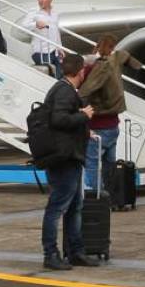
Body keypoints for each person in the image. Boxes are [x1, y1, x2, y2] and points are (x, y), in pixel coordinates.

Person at [38, 53, 101, 271]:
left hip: (68, 155)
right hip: (64, 158)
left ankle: (75, 251)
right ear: (80, 71)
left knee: (74, 206)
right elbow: (59, 119)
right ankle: (51, 253)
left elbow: (63, 120)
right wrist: (84, 116)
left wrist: (85, 130)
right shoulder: (64, 91)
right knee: (58, 207)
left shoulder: (61, 89)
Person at [79, 34, 143, 189]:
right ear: (112, 47)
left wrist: (76, 101)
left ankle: (97, 196)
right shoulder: (116, 59)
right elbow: (126, 57)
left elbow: (86, 90)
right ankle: (111, 194)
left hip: (98, 125)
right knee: (109, 163)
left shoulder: (97, 67)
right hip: (114, 125)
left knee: (92, 163)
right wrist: (136, 64)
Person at [20, 0, 63, 78]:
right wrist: (35, 24)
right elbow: (23, 26)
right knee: (51, 74)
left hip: (53, 51)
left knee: (60, 76)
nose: (40, 1)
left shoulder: (55, 13)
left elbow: (56, 32)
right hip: (40, 52)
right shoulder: (34, 12)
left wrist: (60, 48)